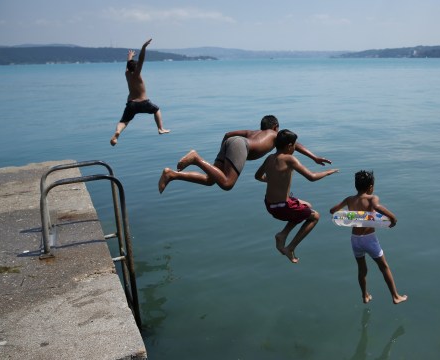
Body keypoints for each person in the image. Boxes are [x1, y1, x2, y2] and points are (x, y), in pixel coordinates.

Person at [158, 115, 332, 193]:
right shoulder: (273, 135)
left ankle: (172, 174)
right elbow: (295, 144)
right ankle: (196, 158)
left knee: (211, 180)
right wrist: (314, 157)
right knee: (227, 184)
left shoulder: (253, 132)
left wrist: (223, 156)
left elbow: (227, 135)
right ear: (275, 127)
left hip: (232, 142)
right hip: (240, 146)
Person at [255, 129, 338, 263]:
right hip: (281, 207)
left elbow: (257, 176)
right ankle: (290, 247)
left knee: (306, 206)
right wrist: (328, 172)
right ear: (289, 146)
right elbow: (311, 177)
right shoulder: (290, 159)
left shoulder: (269, 158)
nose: (295, 147)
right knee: (315, 217)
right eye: (294, 145)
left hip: (270, 204)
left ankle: (283, 235)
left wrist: (272, 180)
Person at [329, 170, 407, 304]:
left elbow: (332, 211)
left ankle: (365, 295)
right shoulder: (372, 198)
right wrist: (393, 218)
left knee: (362, 269)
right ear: (371, 186)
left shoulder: (349, 199)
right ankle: (395, 296)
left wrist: (347, 214)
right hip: (369, 238)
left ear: (356, 186)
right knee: (384, 267)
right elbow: (377, 207)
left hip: (355, 240)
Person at [110, 38, 170, 146]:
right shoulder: (137, 74)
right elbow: (141, 60)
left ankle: (117, 132)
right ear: (136, 67)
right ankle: (160, 128)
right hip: (143, 102)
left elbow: (128, 65)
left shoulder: (127, 74)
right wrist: (143, 47)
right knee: (156, 109)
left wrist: (130, 57)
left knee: (124, 122)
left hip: (131, 104)